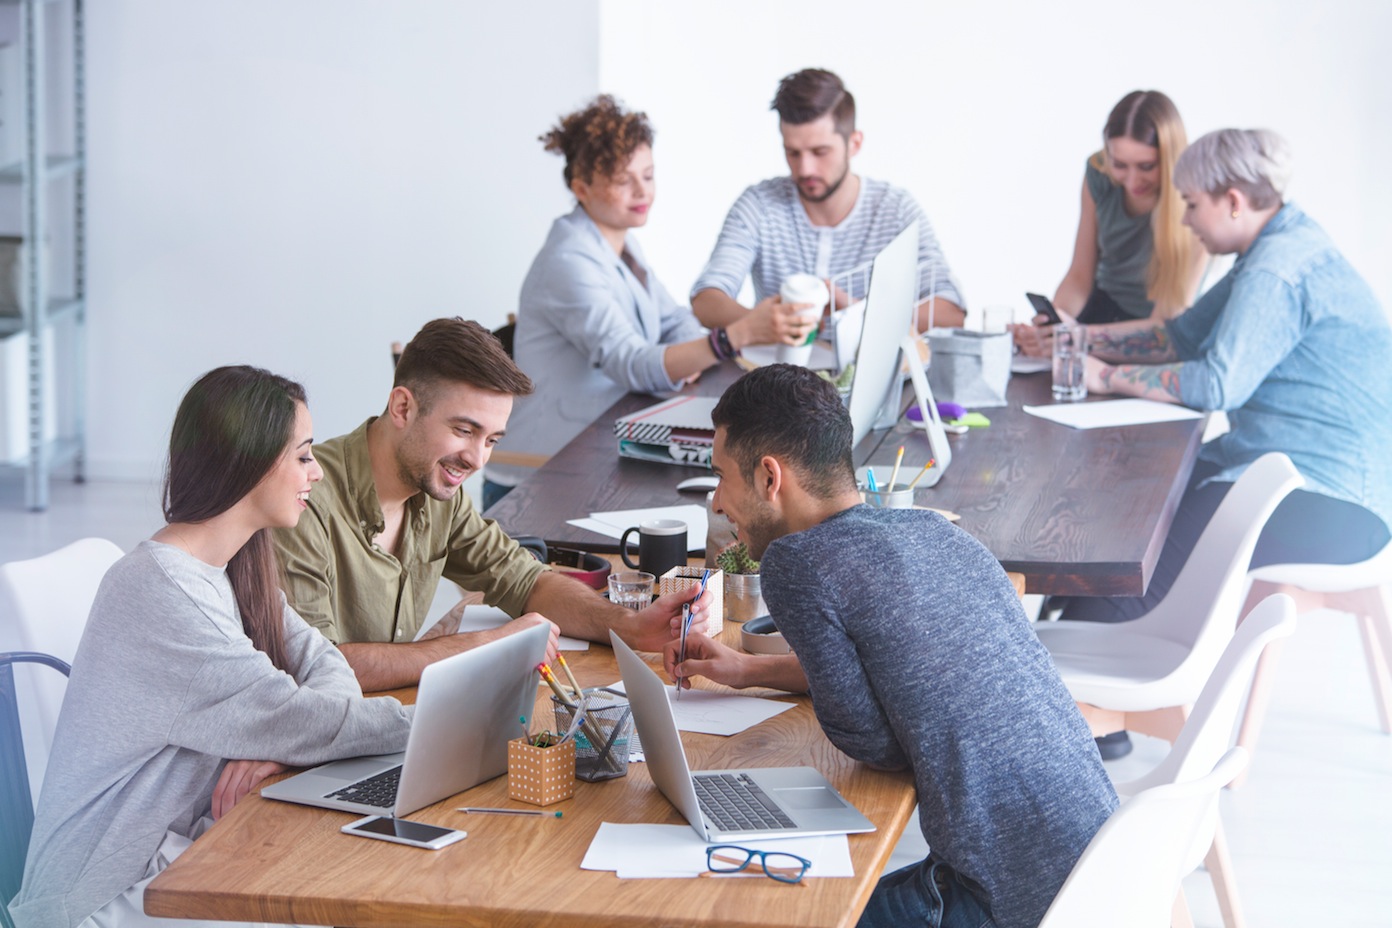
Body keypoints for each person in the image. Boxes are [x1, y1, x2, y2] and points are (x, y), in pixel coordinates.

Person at [667, 364, 1117, 928]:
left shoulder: (797, 564)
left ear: (768, 478)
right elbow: (908, 671)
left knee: (782, 915)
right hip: (1103, 867)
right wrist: (750, 670)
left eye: (721, 477)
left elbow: (873, 741)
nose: (715, 502)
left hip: (1003, 902)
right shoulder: (936, 531)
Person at [9, 366, 422, 928]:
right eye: (303, 456)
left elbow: (322, 662)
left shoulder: (232, 567)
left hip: (179, 847)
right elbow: (304, 716)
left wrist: (279, 741)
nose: (316, 473)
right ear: (249, 462)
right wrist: (430, 725)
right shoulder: (163, 590)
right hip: (107, 893)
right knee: (345, 898)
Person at [1053, 128, 1392, 628]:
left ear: (1232, 201)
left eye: (1191, 204)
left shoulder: (1274, 270)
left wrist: (1107, 377)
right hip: (1319, 477)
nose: (1186, 221)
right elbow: (1181, 337)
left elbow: (1217, 385)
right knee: (1131, 518)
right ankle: (1069, 635)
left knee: (1134, 560)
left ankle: (1081, 658)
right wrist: (1077, 340)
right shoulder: (1280, 241)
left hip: (1334, 500)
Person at [273, 317, 709, 693]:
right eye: (464, 430)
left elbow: (526, 580)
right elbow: (319, 666)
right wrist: (489, 647)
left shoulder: (438, 490)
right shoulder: (304, 500)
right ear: (402, 407)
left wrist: (632, 625)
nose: (478, 460)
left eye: (492, 440)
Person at [485, 95, 798, 498]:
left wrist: (681, 356)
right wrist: (730, 337)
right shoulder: (568, 262)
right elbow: (633, 362)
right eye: (622, 181)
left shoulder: (621, 245)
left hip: (595, 452)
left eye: (648, 175)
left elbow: (673, 320)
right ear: (581, 188)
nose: (641, 191)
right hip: (539, 479)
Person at [690, 68, 966, 334]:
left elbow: (951, 312)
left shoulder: (895, 210)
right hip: (779, 378)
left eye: (820, 152)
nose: (805, 168)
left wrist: (856, 312)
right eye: (793, 152)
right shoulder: (759, 205)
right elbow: (706, 300)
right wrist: (763, 325)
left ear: (854, 144)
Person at [1045, 90, 1207, 325]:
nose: (1132, 181)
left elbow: (1165, 323)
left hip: (1157, 326)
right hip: (1102, 307)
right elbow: (1079, 276)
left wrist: (1081, 338)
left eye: (1146, 166)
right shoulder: (1099, 173)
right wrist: (1055, 321)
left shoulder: (1197, 198)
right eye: (1120, 165)